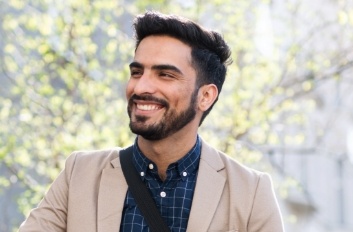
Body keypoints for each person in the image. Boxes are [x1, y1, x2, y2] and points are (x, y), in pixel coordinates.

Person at [19, 11, 284, 232]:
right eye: (137, 72)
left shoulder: (251, 193)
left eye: (165, 75)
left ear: (205, 96)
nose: (141, 86)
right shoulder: (79, 174)